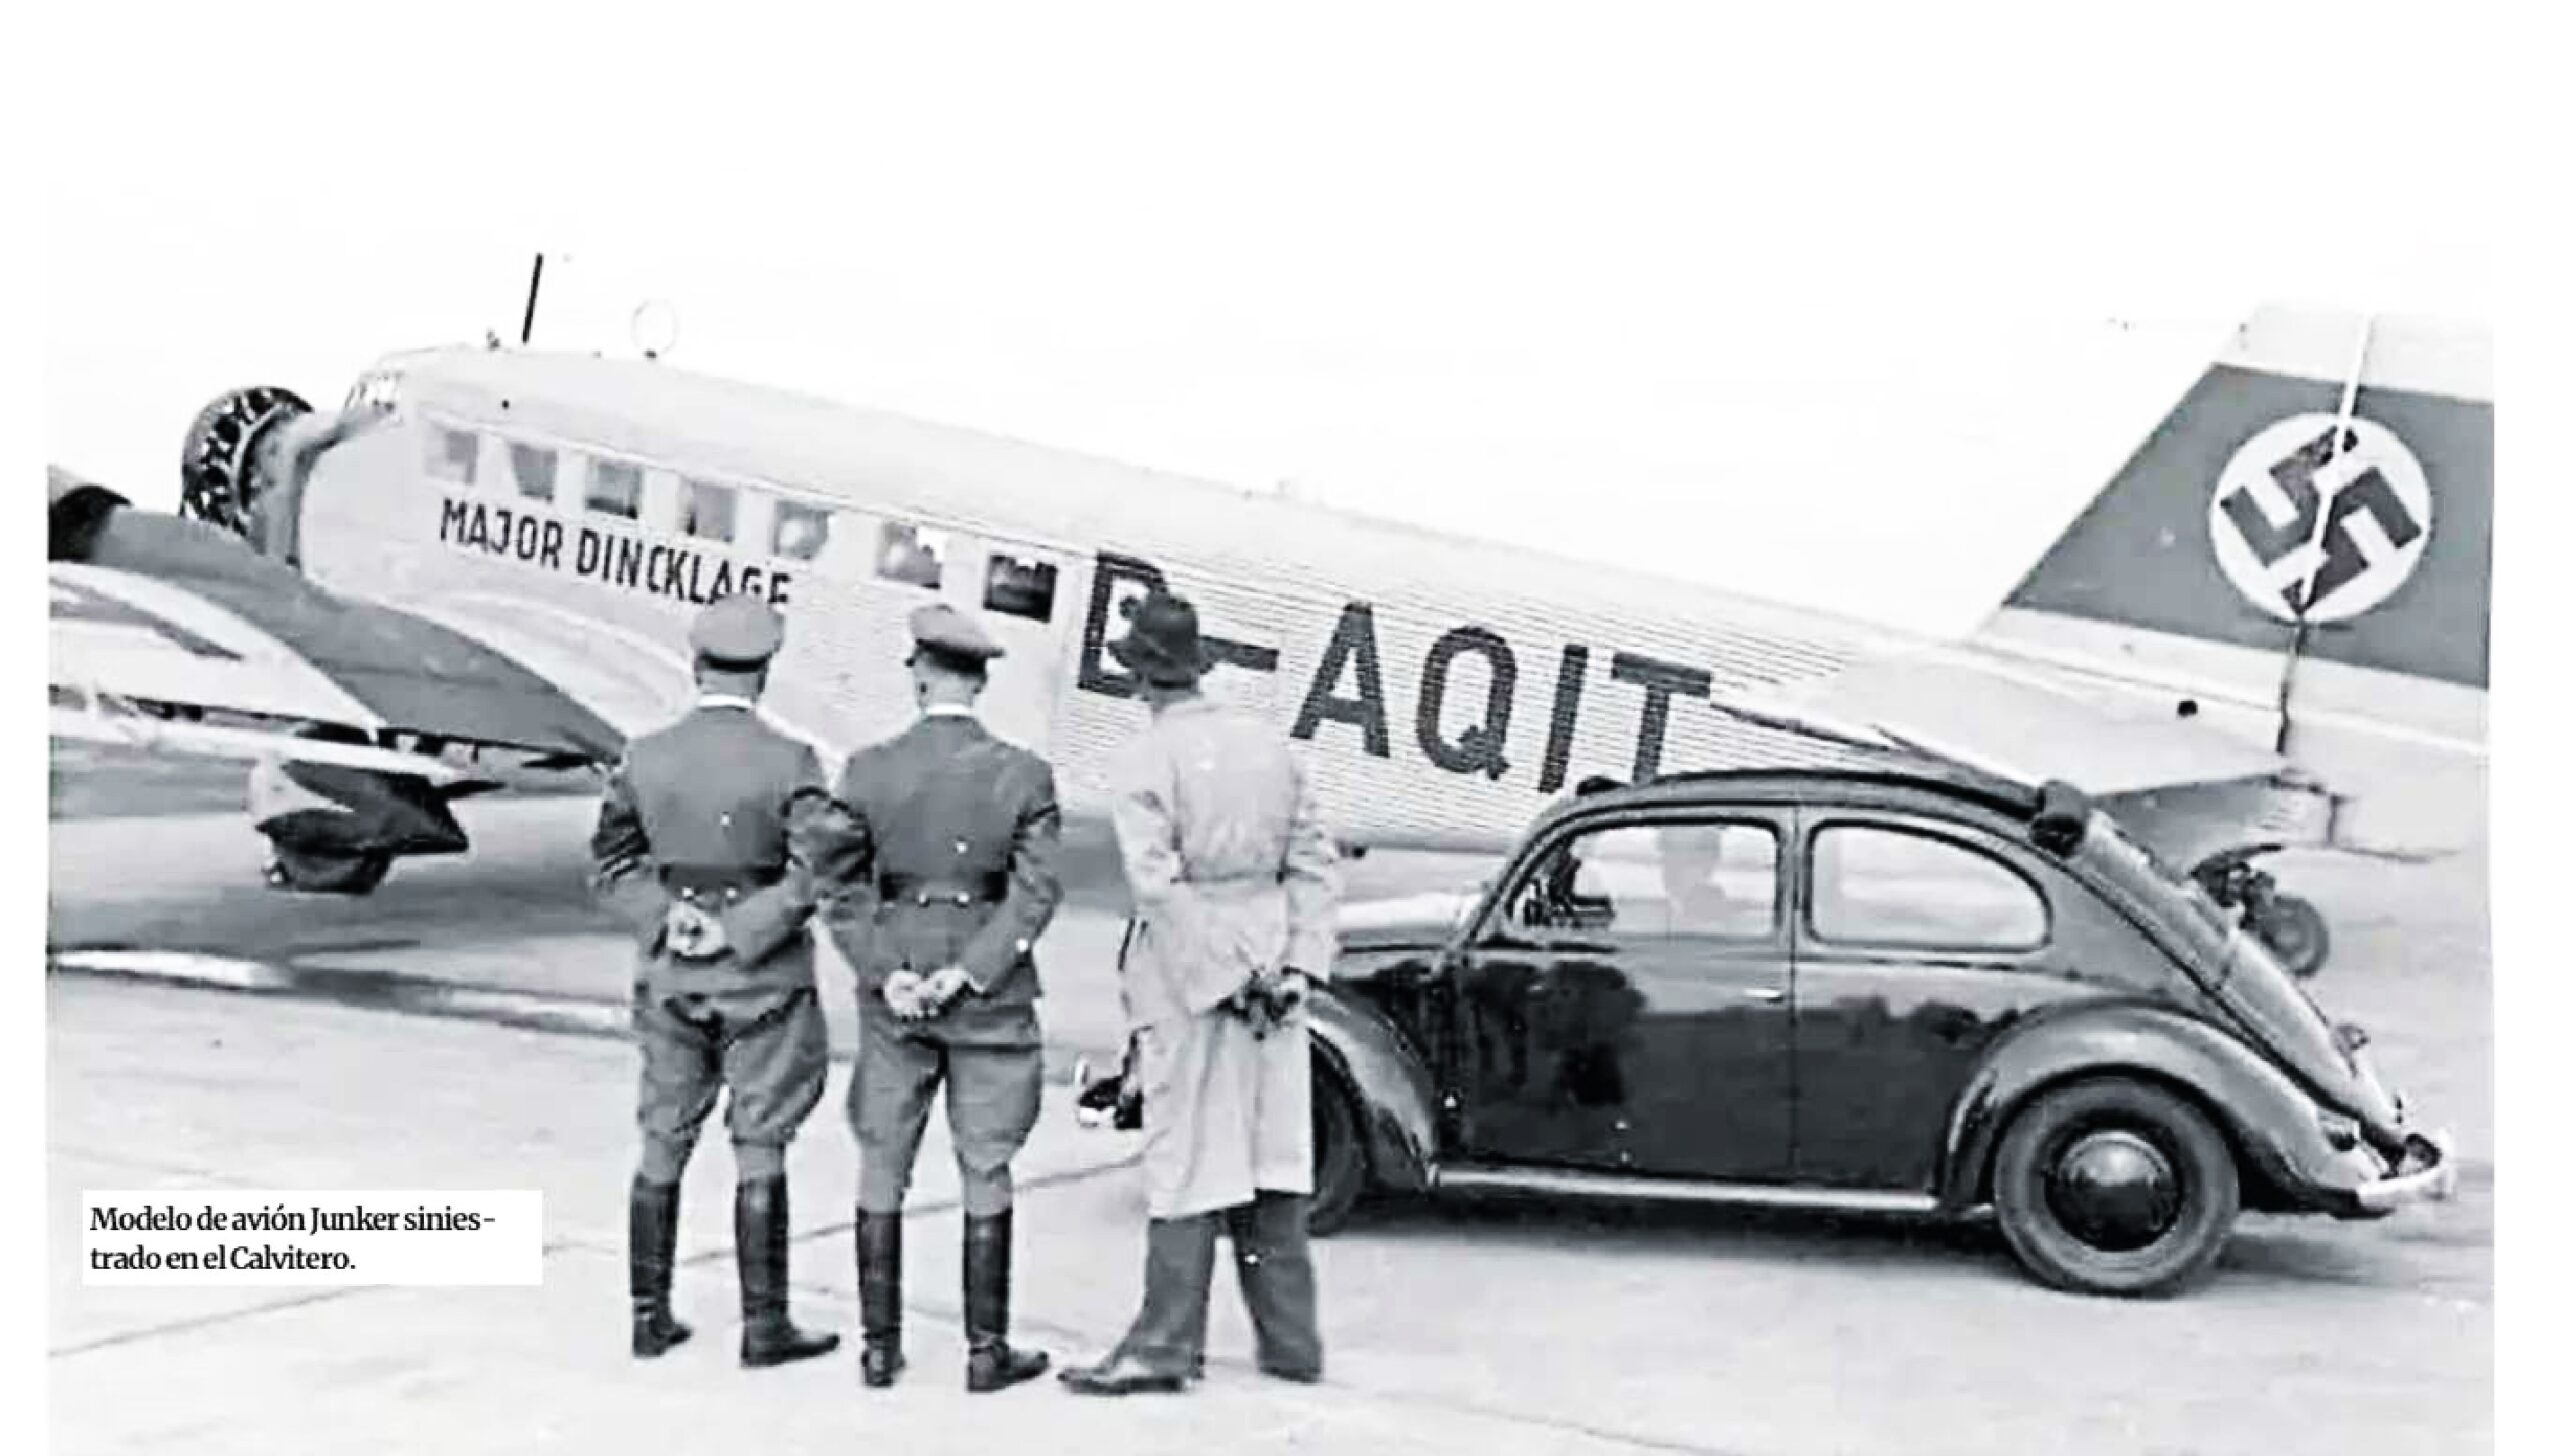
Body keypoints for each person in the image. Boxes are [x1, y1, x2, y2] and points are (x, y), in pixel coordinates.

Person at [1060, 587, 1342, 1396]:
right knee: (1272, 1154)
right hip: (1273, 957)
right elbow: (1315, 866)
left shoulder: (1146, 761)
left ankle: (1163, 1343)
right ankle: (1292, 1345)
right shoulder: (1276, 748)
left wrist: (1222, 979)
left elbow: (1157, 886)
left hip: (1192, 975)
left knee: (1186, 1157)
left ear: (1138, 679)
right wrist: (1292, 970)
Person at [589, 594, 844, 1369]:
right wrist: (741, 929)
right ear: (764, 673)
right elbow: (817, 872)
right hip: (761, 982)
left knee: (662, 1139)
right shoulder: (792, 761)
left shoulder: (645, 754)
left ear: (694, 664)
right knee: (760, 1144)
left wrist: (670, 919)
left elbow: (611, 863)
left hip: (671, 974)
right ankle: (765, 1328)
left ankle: (647, 1316)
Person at [825, 604, 1063, 1394]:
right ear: (981, 680)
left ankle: (878, 1349)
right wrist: (971, 972)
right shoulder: (1023, 775)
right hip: (987, 996)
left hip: (895, 990)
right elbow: (1034, 895)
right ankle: (984, 1353)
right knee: (986, 1164)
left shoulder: (865, 770)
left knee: (882, 1160)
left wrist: (886, 970)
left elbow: (841, 889)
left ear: (921, 674)